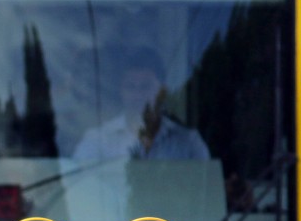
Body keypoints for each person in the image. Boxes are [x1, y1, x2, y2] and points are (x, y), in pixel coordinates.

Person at [73, 50, 210, 160]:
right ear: (121, 91)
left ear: (162, 92)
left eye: (146, 87)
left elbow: (206, 188)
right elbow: (75, 189)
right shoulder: (97, 142)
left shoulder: (189, 143)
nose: (137, 95)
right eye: (130, 87)